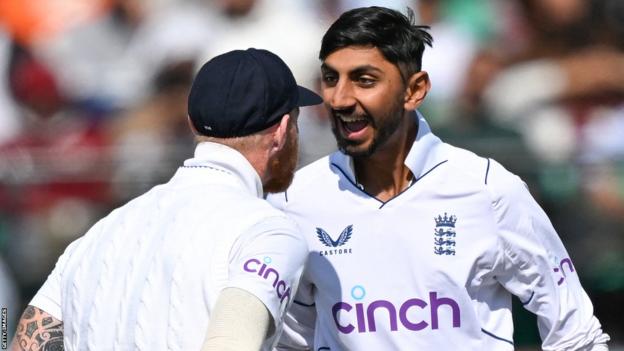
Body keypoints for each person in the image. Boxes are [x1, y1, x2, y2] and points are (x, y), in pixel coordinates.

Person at [267, 7, 611, 350]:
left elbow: (576, 334)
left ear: (414, 90)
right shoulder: (295, 200)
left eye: (364, 80)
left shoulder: (488, 190)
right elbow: (291, 340)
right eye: (331, 78)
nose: (339, 99)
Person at [10, 48, 322, 351]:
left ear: (192, 123)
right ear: (282, 131)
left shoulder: (97, 234)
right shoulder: (268, 233)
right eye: (294, 121)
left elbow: (26, 343)